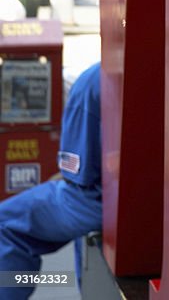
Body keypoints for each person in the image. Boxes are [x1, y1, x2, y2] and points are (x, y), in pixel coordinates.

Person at [0, 63, 102, 299]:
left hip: (102, 203)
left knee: (5, 224)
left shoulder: (93, 80)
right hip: (168, 203)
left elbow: (79, 175)